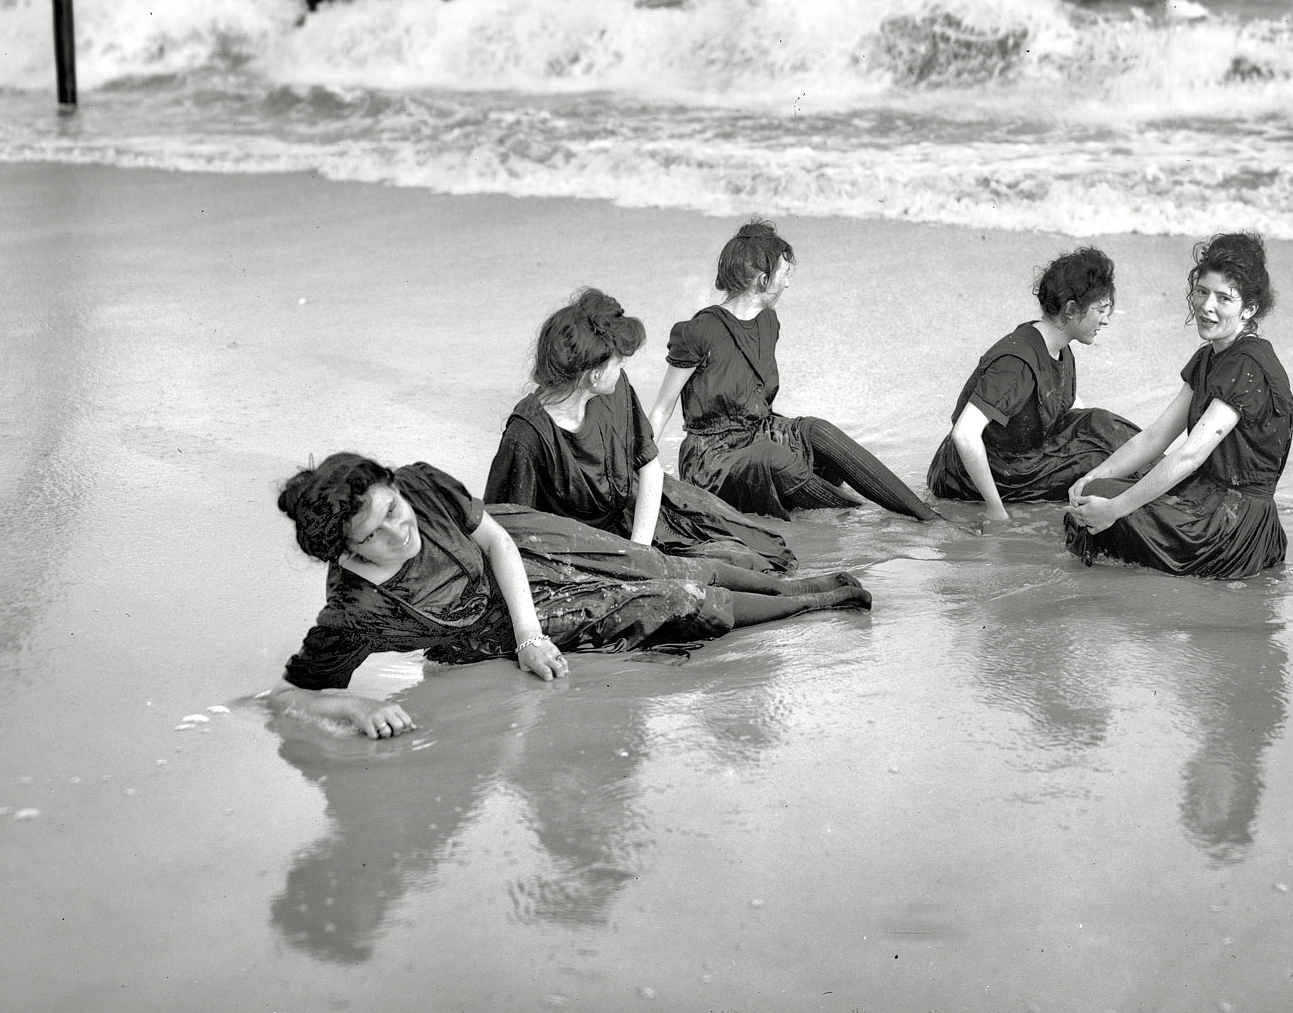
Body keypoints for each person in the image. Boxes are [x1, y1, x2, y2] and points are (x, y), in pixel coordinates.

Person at [265, 454, 871, 739]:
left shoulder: (423, 486)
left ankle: (791, 586)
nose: (400, 531)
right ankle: (815, 601)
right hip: (489, 627)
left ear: (397, 488)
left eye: (394, 510)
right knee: (677, 602)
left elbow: (498, 542)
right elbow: (284, 696)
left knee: (652, 563)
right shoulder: (353, 611)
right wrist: (355, 708)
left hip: (521, 554)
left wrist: (530, 636)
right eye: (375, 535)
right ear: (345, 552)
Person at [487, 289, 796, 573]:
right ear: (593, 375)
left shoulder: (614, 388)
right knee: (734, 568)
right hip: (590, 550)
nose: (624, 363)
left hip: (643, 514)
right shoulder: (526, 437)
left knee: (769, 552)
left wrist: (640, 550)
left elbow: (649, 467)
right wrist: (633, 564)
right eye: (619, 360)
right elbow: (511, 536)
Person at [652, 221, 938, 522]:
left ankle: (925, 516)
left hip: (757, 434)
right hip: (711, 460)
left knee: (817, 430)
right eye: (783, 275)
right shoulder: (699, 331)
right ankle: (865, 515)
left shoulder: (768, 323)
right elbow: (662, 408)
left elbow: (755, 398)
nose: (787, 284)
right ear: (762, 280)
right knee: (774, 458)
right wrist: (641, 471)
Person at [1064, 232, 1293, 580]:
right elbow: (1156, 436)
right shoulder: (1210, 357)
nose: (1206, 306)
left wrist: (1114, 509)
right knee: (1091, 493)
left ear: (1249, 308)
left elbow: (1190, 455)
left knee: (1101, 508)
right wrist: (1092, 477)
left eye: (1223, 298)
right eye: (1202, 292)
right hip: (1207, 500)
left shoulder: (1248, 363)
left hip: (1233, 526)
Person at [928, 246, 1139, 522]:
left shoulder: (1059, 347)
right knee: (1095, 460)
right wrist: (996, 512)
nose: (1106, 320)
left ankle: (1165, 477)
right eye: (1100, 310)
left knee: (1100, 428)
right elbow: (964, 434)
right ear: (1071, 309)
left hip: (1018, 459)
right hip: (969, 478)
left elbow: (1068, 405)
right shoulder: (1016, 363)